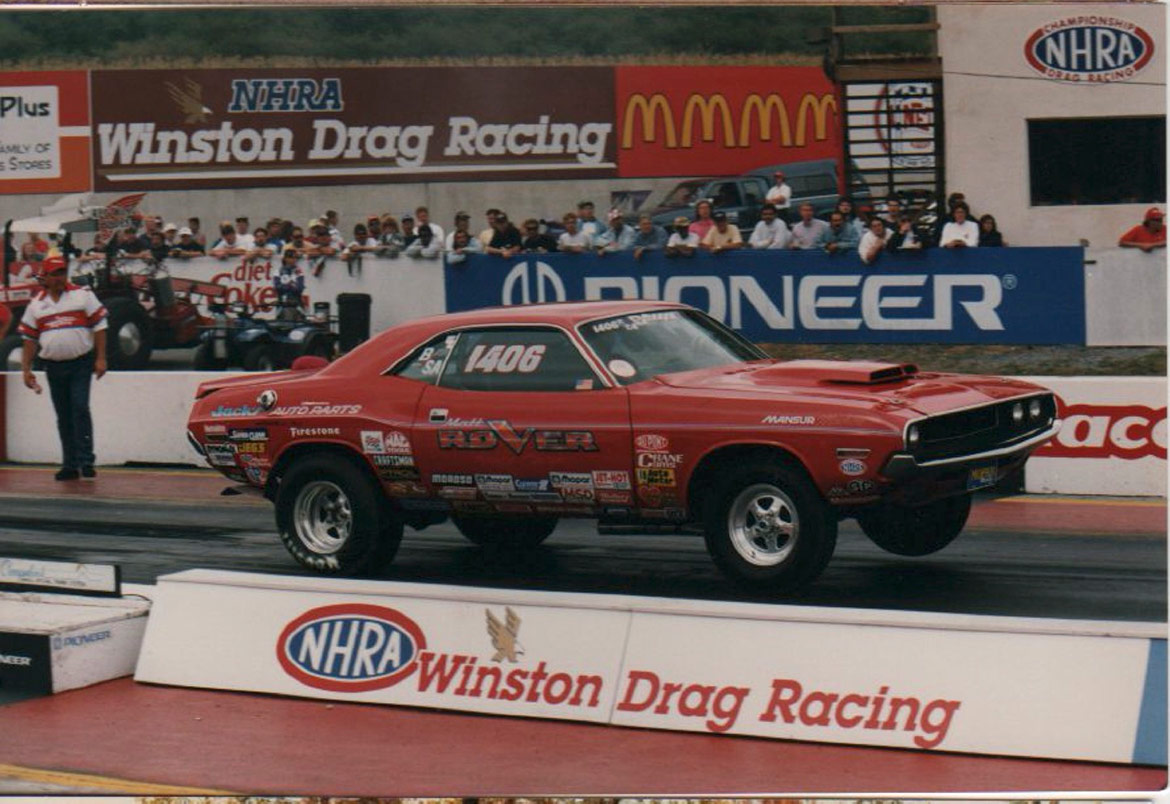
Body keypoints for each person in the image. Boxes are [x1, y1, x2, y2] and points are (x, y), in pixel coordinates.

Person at [19, 255, 108, 481]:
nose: (59, 278)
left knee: (79, 408)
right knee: (63, 415)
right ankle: (70, 464)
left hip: (80, 363)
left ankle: (86, 460)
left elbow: (100, 325)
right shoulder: (36, 304)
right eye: (55, 274)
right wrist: (26, 369)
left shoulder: (82, 295)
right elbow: (29, 339)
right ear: (45, 277)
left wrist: (101, 358)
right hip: (53, 366)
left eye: (62, 273)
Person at [272, 248, 305, 321]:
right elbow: (277, 287)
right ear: (285, 258)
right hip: (283, 303)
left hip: (296, 302)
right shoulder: (278, 271)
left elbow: (300, 288)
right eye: (290, 257)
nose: (293, 260)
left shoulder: (299, 271)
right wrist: (290, 285)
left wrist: (286, 286)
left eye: (295, 257)